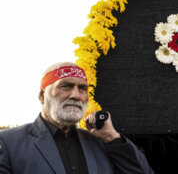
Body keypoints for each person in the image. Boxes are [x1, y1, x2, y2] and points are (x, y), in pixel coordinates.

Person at [0, 62, 154, 174]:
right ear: (42, 96)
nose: (76, 96)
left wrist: (111, 137)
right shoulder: (8, 143)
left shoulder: (102, 143)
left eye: (82, 88)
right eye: (65, 86)